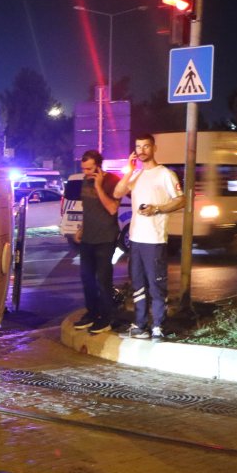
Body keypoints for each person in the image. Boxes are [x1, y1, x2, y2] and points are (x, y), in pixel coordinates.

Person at [113, 133, 184, 340]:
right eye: (138, 147)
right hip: (135, 239)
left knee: (156, 284)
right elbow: (117, 193)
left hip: (155, 239)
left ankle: (158, 326)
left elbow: (181, 200)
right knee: (138, 284)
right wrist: (129, 169)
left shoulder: (165, 174)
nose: (142, 151)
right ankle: (140, 324)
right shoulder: (135, 176)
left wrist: (157, 209)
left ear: (154, 148)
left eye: (146, 147)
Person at [71, 150, 121, 335]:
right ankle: (92, 313)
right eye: (83, 168)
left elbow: (112, 208)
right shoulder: (85, 179)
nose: (86, 172)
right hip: (88, 238)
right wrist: (82, 229)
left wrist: (99, 185)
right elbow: (88, 208)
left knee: (103, 279)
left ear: (99, 166)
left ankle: (107, 317)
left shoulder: (112, 181)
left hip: (105, 238)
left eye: (89, 168)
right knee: (87, 278)